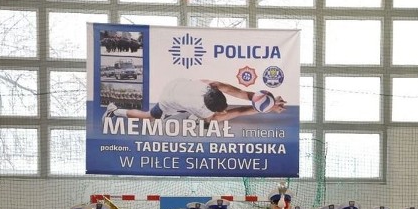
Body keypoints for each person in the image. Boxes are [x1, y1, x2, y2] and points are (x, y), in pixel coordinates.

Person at [102, 78, 286, 124]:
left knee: (191, 116)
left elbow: (236, 91)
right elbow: (236, 112)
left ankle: (187, 115)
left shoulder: (209, 85)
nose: (224, 111)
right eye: (221, 110)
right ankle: (114, 111)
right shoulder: (203, 111)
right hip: (168, 100)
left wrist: (259, 100)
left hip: (176, 84)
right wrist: (262, 109)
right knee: (149, 116)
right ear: (210, 109)